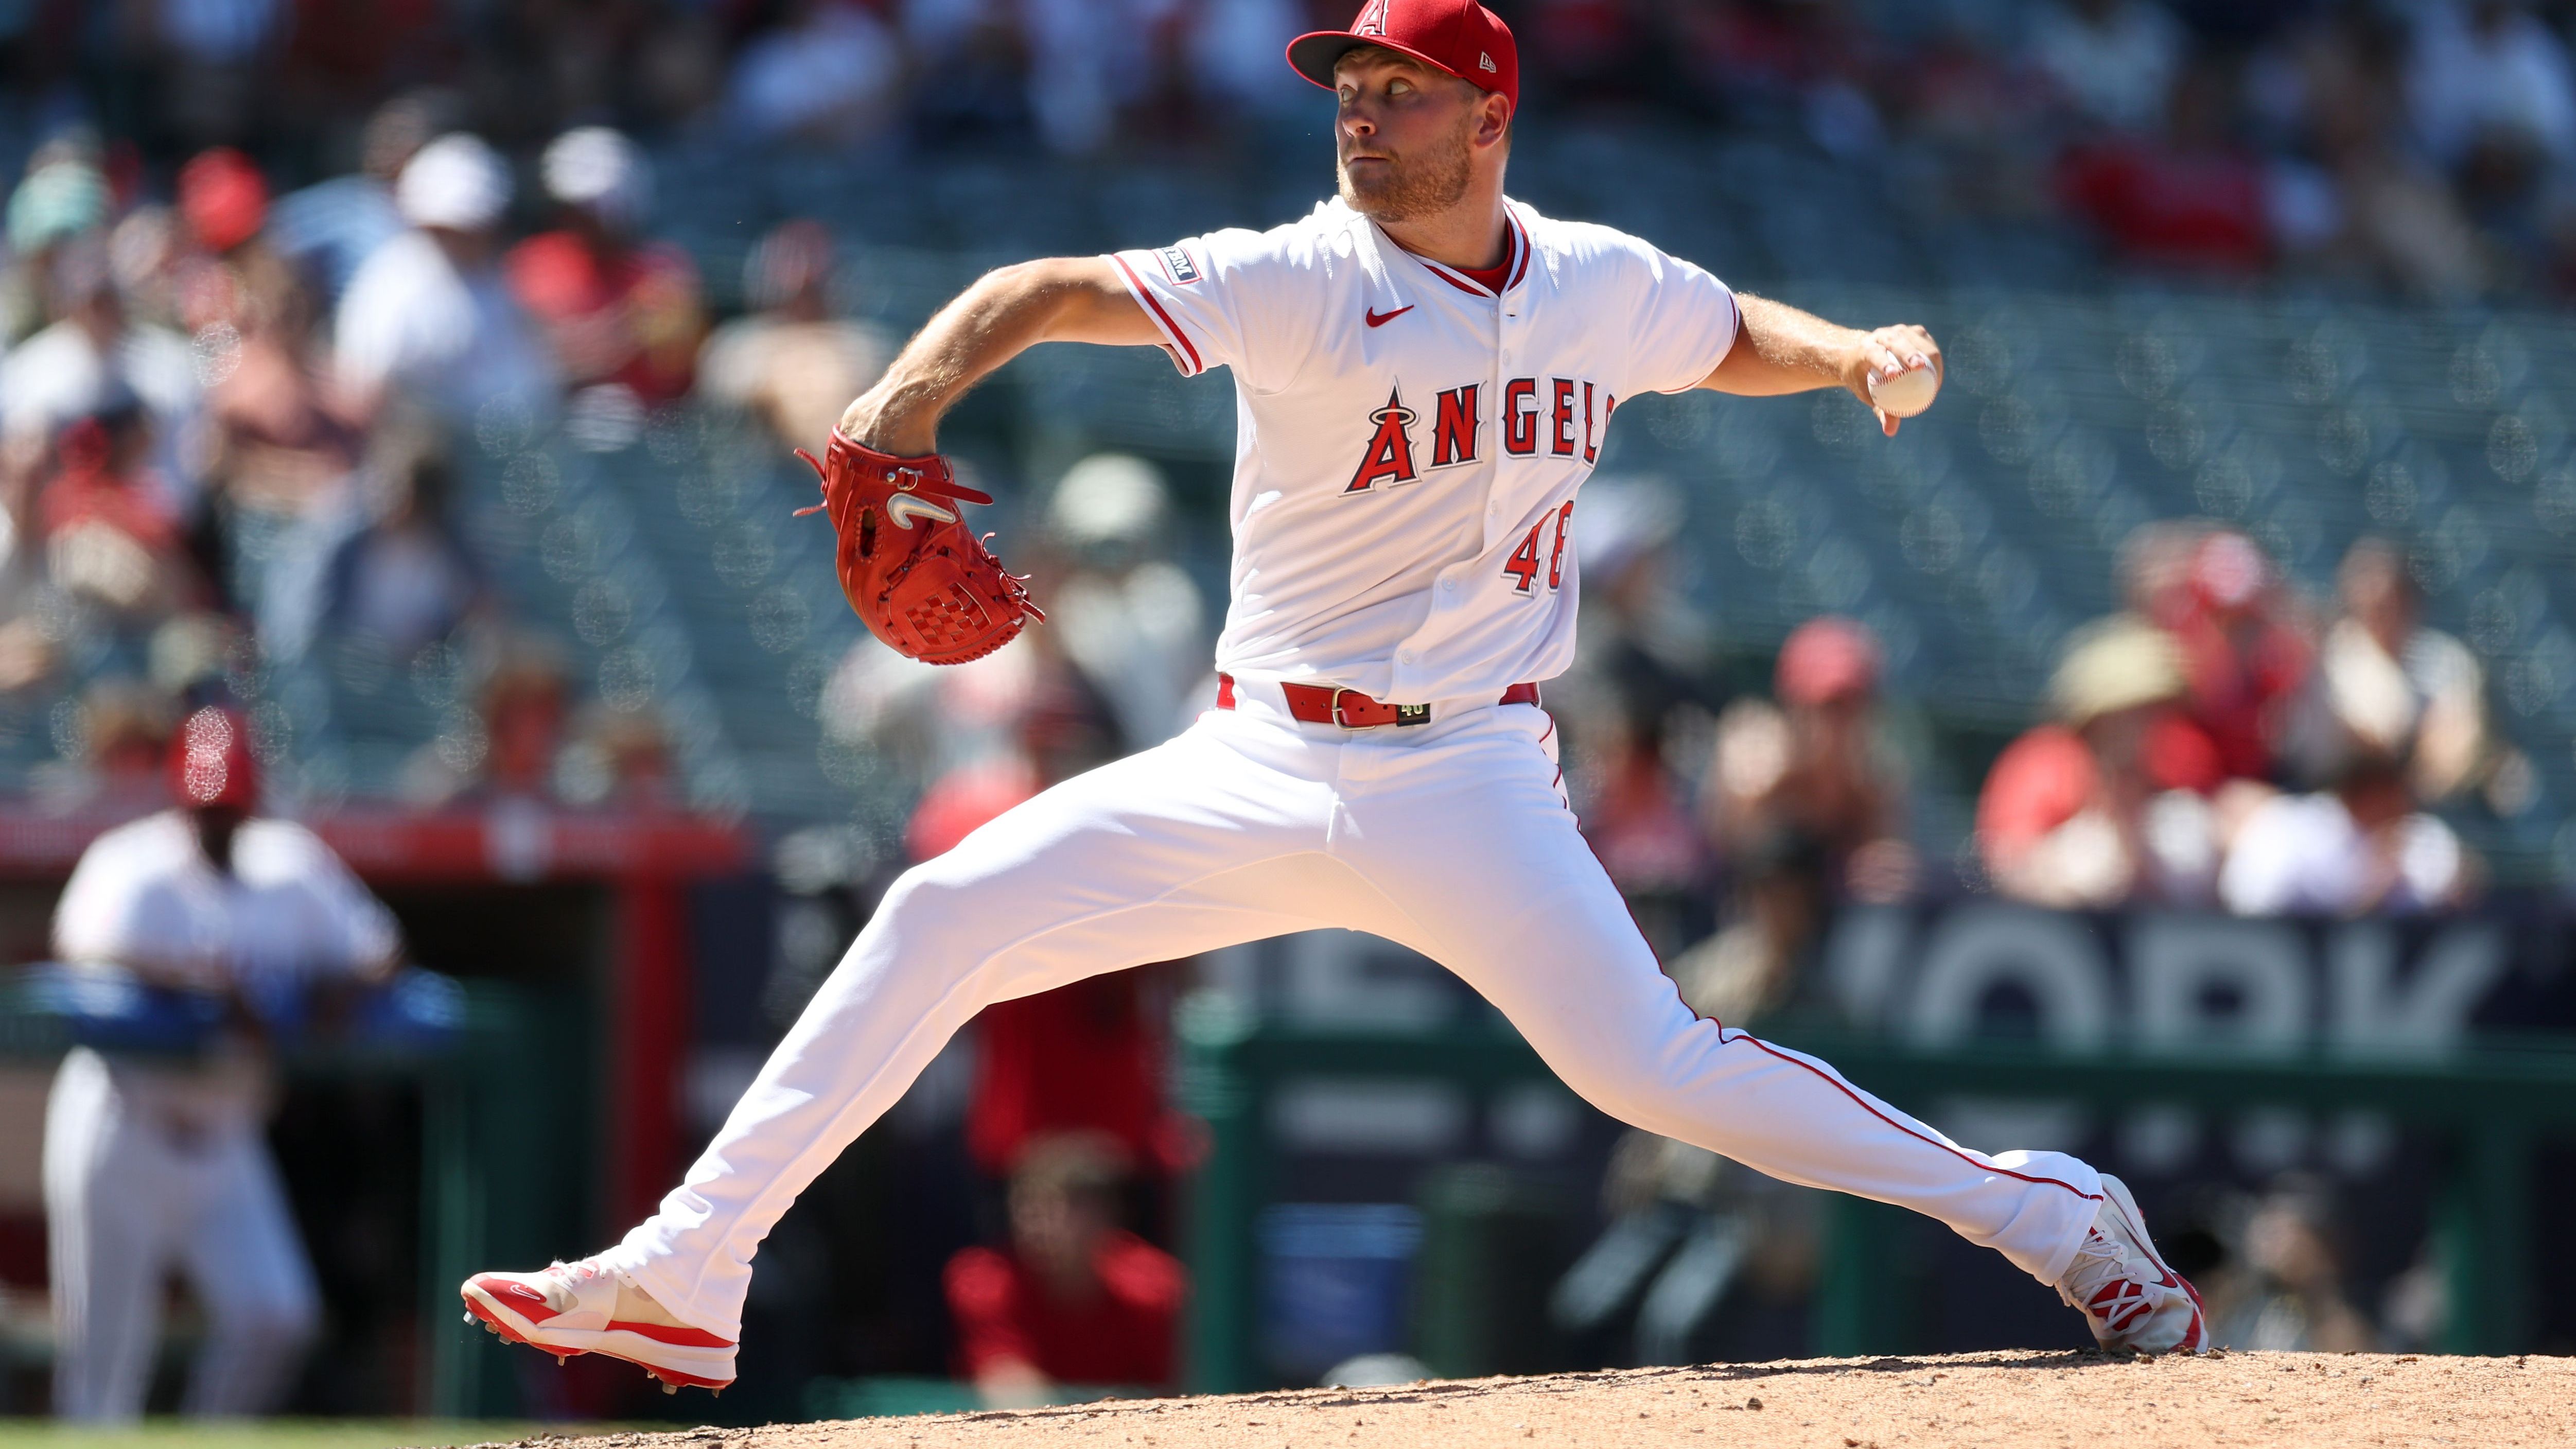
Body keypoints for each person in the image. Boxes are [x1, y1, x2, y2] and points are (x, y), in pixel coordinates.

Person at [461, 0, 2205, 1392]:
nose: (1359, 117)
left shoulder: (1592, 280)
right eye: (1348, 90)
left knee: (1655, 1071)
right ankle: (689, 1265)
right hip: (1259, 754)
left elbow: (1720, 328)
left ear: (1487, 119)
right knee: (939, 909)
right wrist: (891, 416)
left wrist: (1847, 355)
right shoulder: (1304, 274)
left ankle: (2050, 1215)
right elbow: (1039, 290)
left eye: (1399, 91)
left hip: (1473, 784)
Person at [45, 706, 403, 1420]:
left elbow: (382, 949)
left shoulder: (292, 862)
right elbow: (81, 950)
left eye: (230, 806)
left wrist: (337, 987)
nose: (217, 819)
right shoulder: (130, 860)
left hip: (229, 1132)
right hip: (124, 1121)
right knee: (103, 1366)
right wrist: (205, 985)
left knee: (277, 1316)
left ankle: (203, 1438)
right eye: (205, 805)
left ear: (253, 802)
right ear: (178, 794)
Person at [943, 1132, 1184, 1404]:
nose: (1037, 1225)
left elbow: (1176, 1393)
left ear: (1104, 1216)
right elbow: (1011, 1392)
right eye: (1027, 1208)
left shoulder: (1154, 1286)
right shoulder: (986, 1281)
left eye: (1059, 1207)